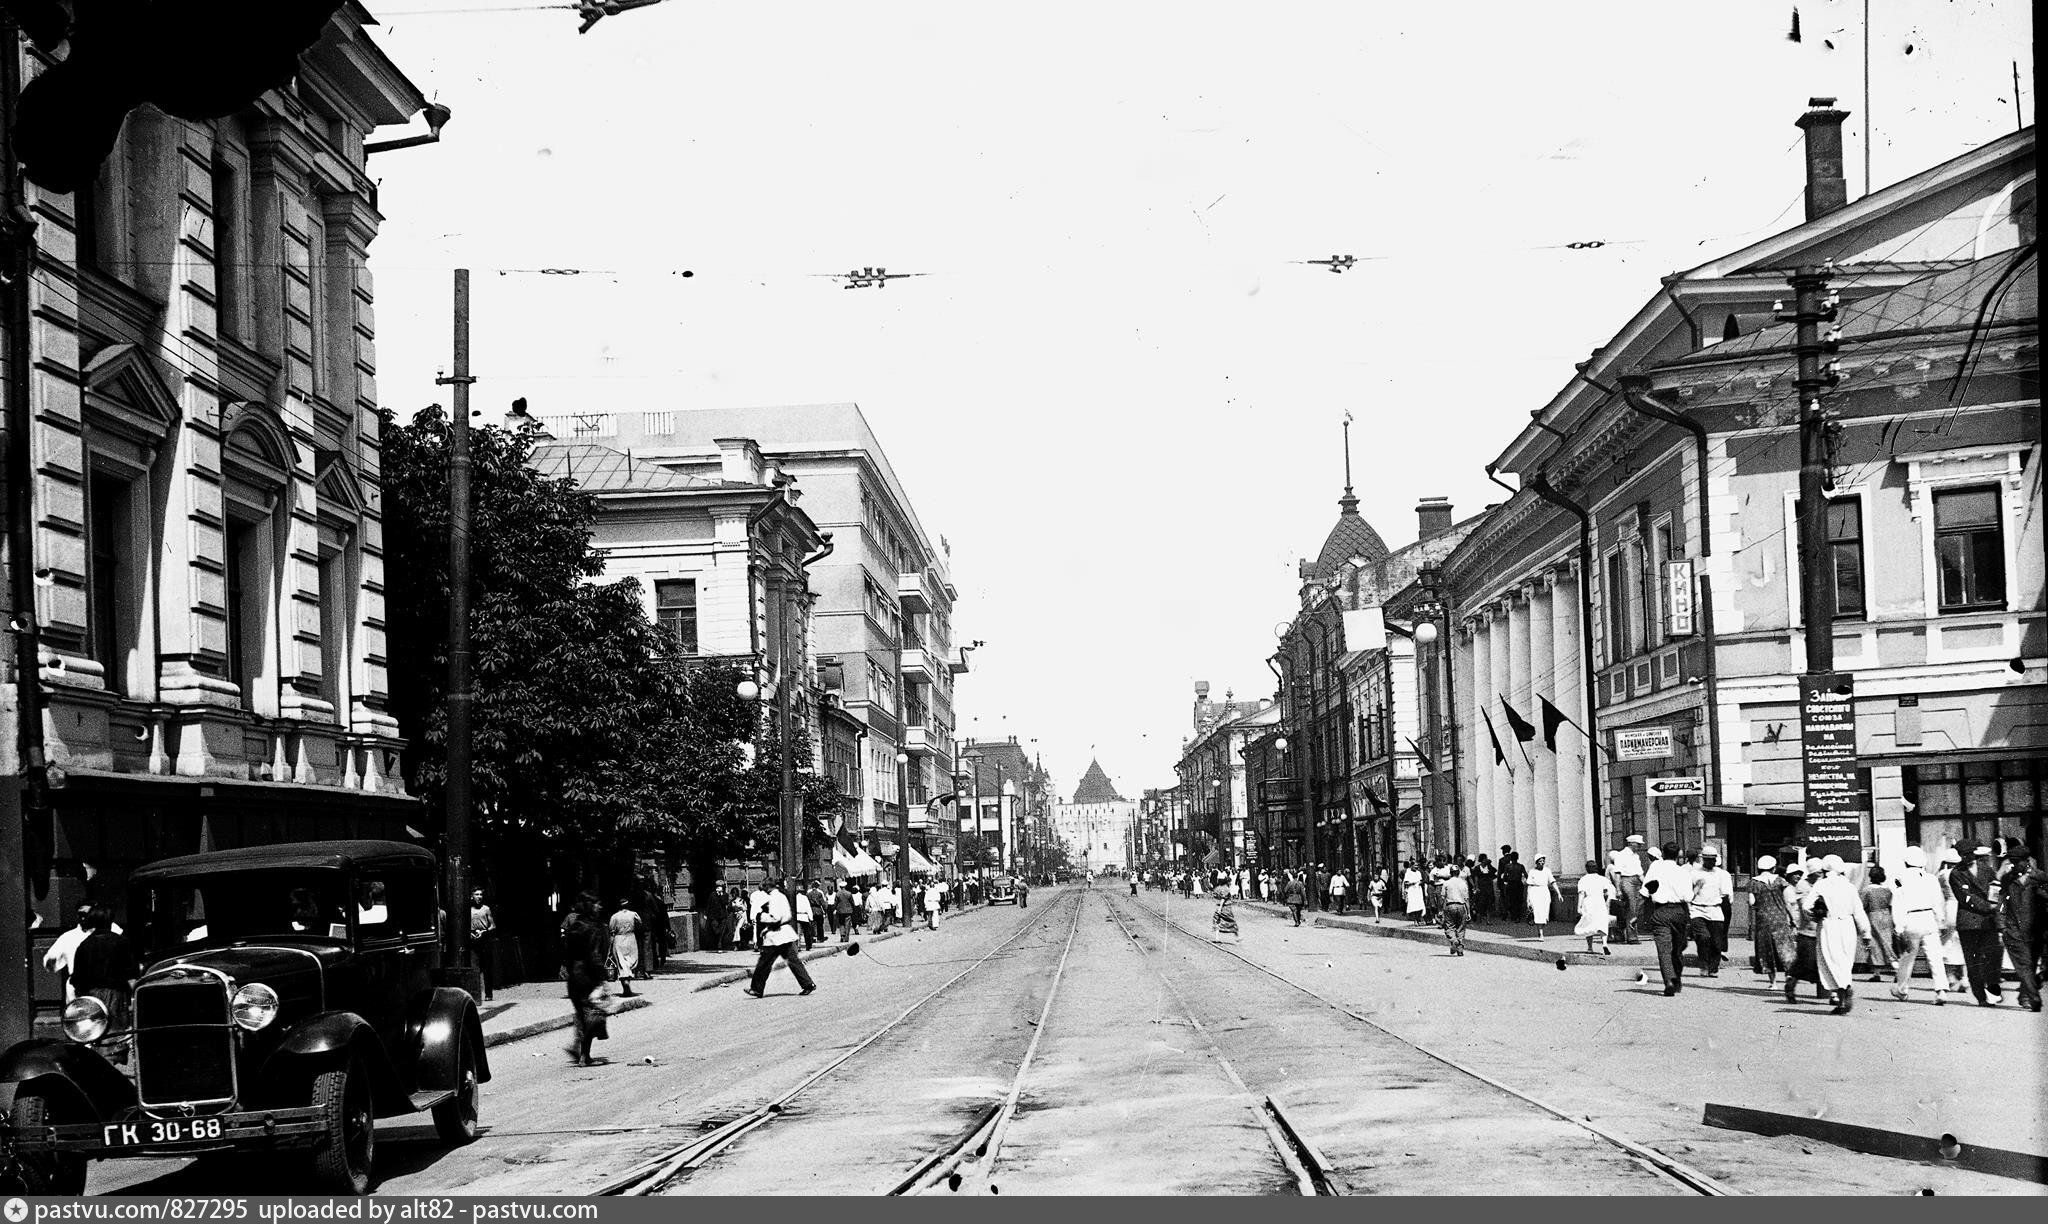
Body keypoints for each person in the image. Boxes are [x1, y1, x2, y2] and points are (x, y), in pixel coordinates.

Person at [1804, 855, 1872, 1014]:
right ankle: (1843, 992)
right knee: (1845, 961)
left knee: (1831, 960)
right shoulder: (1850, 887)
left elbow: (1807, 906)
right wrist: (1866, 933)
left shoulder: (1821, 884)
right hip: (1848, 926)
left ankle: (1842, 991)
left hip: (1829, 925)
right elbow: (1859, 912)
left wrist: (1815, 915)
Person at [69, 907, 139, 1062]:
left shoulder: (84, 945)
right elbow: (132, 974)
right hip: (117, 994)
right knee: (116, 1034)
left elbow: (77, 978)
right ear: (110, 922)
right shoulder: (122, 942)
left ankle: (101, 1064)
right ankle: (115, 1062)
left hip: (92, 995)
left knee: (96, 1032)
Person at [1888, 846, 1948, 1005]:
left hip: (1910, 919)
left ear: (1906, 862)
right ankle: (1941, 990)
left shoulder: (1898, 879)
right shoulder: (1931, 878)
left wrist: (1898, 927)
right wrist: (1940, 920)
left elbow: (1897, 904)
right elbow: (1938, 902)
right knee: (1935, 957)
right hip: (1929, 918)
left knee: (1907, 958)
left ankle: (1902, 990)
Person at [745, 875, 817, 998]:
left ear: (768, 887)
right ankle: (807, 984)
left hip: (776, 936)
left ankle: (756, 988)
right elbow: (787, 915)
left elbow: (775, 917)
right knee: (794, 962)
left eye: (764, 888)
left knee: (764, 963)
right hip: (784, 934)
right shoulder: (781, 896)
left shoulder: (774, 898)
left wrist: (762, 916)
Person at [1950, 842, 2004, 1006]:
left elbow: (1996, 886)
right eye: (1963, 855)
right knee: (1974, 961)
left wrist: (1994, 904)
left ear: (1974, 853)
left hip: (1988, 921)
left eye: (1969, 854)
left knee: (1994, 955)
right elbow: (1965, 898)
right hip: (1969, 924)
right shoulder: (1956, 873)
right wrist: (1988, 906)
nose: (1967, 858)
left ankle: (1993, 988)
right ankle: (1981, 997)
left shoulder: (1985, 868)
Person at [561, 893, 610, 1066]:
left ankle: (578, 1048)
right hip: (588, 976)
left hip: (573, 977)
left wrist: (567, 968)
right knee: (592, 1014)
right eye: (597, 904)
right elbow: (595, 955)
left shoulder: (575, 926)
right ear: (590, 905)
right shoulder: (593, 928)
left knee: (582, 1014)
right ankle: (584, 1055)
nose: (600, 907)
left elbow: (566, 951)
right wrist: (602, 980)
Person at [1996, 843, 2044, 1012]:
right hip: (2013, 929)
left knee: (2030, 965)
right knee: (2023, 966)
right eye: (2012, 862)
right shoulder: (2008, 879)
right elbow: (2001, 904)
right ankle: (2034, 997)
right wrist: (2001, 926)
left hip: (2035, 930)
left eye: (2017, 862)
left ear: (2027, 861)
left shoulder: (2040, 878)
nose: (2014, 866)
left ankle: (2024, 996)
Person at [1641, 841, 1692, 996]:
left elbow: (1645, 892)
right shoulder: (1683, 872)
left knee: (1664, 951)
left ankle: (1669, 980)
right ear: (1678, 856)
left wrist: (1636, 914)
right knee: (1677, 950)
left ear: (1662, 854)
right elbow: (1688, 896)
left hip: (1661, 912)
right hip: (1678, 912)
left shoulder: (1656, 867)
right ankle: (1677, 979)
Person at [41, 903, 105, 1003]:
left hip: (100, 986)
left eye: (87, 914)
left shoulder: (103, 934)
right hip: (77, 986)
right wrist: (51, 960)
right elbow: (50, 961)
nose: (84, 918)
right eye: (81, 915)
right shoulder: (68, 937)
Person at [1782, 861, 1826, 1003]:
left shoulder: (1823, 883)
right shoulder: (1802, 885)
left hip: (1823, 929)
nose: (1820, 875)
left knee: (1825, 962)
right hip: (1808, 930)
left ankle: (1831, 994)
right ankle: (1791, 984)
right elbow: (1804, 907)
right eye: (1817, 873)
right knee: (1805, 962)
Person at [1687, 846, 1734, 977]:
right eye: (1708, 859)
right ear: (1703, 859)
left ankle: (1713, 968)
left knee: (1716, 942)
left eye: (1713, 859)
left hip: (1715, 909)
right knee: (1703, 937)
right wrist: (1697, 887)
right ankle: (1703, 965)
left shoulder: (1722, 874)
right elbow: (1687, 893)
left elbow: (1726, 895)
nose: (1711, 862)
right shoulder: (1694, 873)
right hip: (1697, 909)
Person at [1749, 856, 1794, 988]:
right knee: (1785, 948)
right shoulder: (1780, 881)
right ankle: (1788, 976)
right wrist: (1792, 918)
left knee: (1767, 950)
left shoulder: (1754, 882)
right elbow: (1787, 901)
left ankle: (1773, 983)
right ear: (1773, 868)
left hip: (1763, 920)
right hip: (1780, 918)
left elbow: (1752, 902)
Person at [1935, 846, 1968, 993]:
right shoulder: (1964, 873)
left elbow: (1938, 894)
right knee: (1964, 944)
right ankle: (1966, 978)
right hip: (1963, 908)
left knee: (1946, 944)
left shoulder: (1942, 874)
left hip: (1948, 908)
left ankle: (1950, 978)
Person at [1858, 866, 1896, 983]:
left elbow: (1861, 906)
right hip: (1886, 916)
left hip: (1873, 916)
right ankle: (1894, 968)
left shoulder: (1866, 890)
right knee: (1887, 942)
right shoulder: (1887, 890)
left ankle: (1878, 972)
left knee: (1874, 945)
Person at [1610, 834, 1646, 944]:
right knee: (1632, 908)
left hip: (1637, 881)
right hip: (1627, 881)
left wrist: (1645, 884)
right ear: (1632, 843)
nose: (1640, 846)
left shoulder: (1636, 856)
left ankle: (1624, 933)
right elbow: (1617, 874)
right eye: (1638, 844)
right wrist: (1618, 889)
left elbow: (1640, 873)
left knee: (1635, 909)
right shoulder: (1621, 855)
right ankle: (1632, 937)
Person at [1575, 859, 1615, 955]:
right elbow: (1606, 893)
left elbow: (1581, 894)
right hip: (1599, 901)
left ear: (1586, 869)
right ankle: (1604, 943)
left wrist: (1579, 906)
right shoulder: (1602, 879)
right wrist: (1604, 901)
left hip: (1588, 902)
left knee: (1589, 924)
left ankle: (1590, 947)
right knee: (1602, 923)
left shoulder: (1583, 879)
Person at [608, 898, 642, 996]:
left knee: (621, 962)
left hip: (619, 939)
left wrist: (610, 946)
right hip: (631, 938)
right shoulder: (633, 914)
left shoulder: (614, 916)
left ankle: (625, 983)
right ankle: (628, 981)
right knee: (631, 961)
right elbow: (639, 924)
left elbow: (611, 930)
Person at [469, 888, 497, 1000]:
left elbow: (493, 925)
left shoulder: (486, 909)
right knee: (474, 967)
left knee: (487, 968)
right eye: (477, 894)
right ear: (472, 896)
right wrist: (469, 933)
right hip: (473, 940)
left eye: (481, 894)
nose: (479, 897)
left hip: (484, 940)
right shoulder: (468, 910)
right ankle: (475, 995)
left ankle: (488, 994)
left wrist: (484, 932)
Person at [1525, 854, 1561, 940]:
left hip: (1544, 891)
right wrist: (1528, 899)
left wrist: (1559, 893)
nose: (1542, 863)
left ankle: (1541, 929)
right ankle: (1540, 933)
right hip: (1535, 892)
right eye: (1540, 861)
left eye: (1543, 861)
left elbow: (1553, 882)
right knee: (1538, 913)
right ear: (1536, 862)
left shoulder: (1547, 871)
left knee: (1544, 914)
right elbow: (1529, 886)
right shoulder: (1532, 872)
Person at [1440, 863, 1472, 956]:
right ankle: (1460, 949)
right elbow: (1466, 899)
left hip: (1450, 906)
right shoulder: (1463, 883)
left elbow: (1443, 898)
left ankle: (1454, 941)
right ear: (1458, 873)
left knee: (1449, 926)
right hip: (1461, 906)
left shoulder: (1446, 883)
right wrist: (1468, 912)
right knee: (1461, 928)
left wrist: (1441, 910)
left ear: (1450, 873)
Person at [1498, 852, 1527, 924]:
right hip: (1519, 884)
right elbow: (1526, 875)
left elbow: (1504, 877)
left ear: (1511, 858)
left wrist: (1506, 880)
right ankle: (1518, 916)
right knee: (1519, 900)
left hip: (1511, 884)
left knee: (1512, 900)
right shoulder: (1521, 866)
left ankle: (1514, 916)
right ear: (1518, 858)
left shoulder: (1508, 866)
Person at [1473, 854, 1498, 921]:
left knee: (1489, 902)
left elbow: (1494, 871)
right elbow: (1476, 878)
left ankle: (1488, 918)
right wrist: (1476, 887)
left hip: (1489, 886)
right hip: (1481, 886)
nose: (1485, 860)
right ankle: (1480, 916)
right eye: (1484, 859)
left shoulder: (1489, 867)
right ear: (1482, 860)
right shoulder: (1477, 868)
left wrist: (1490, 864)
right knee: (1481, 902)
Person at [793, 884, 816, 951]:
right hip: (804, 916)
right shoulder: (805, 898)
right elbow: (808, 908)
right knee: (807, 932)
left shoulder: (794, 898)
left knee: (798, 932)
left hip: (797, 916)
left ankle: (798, 946)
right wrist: (811, 918)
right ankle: (808, 946)